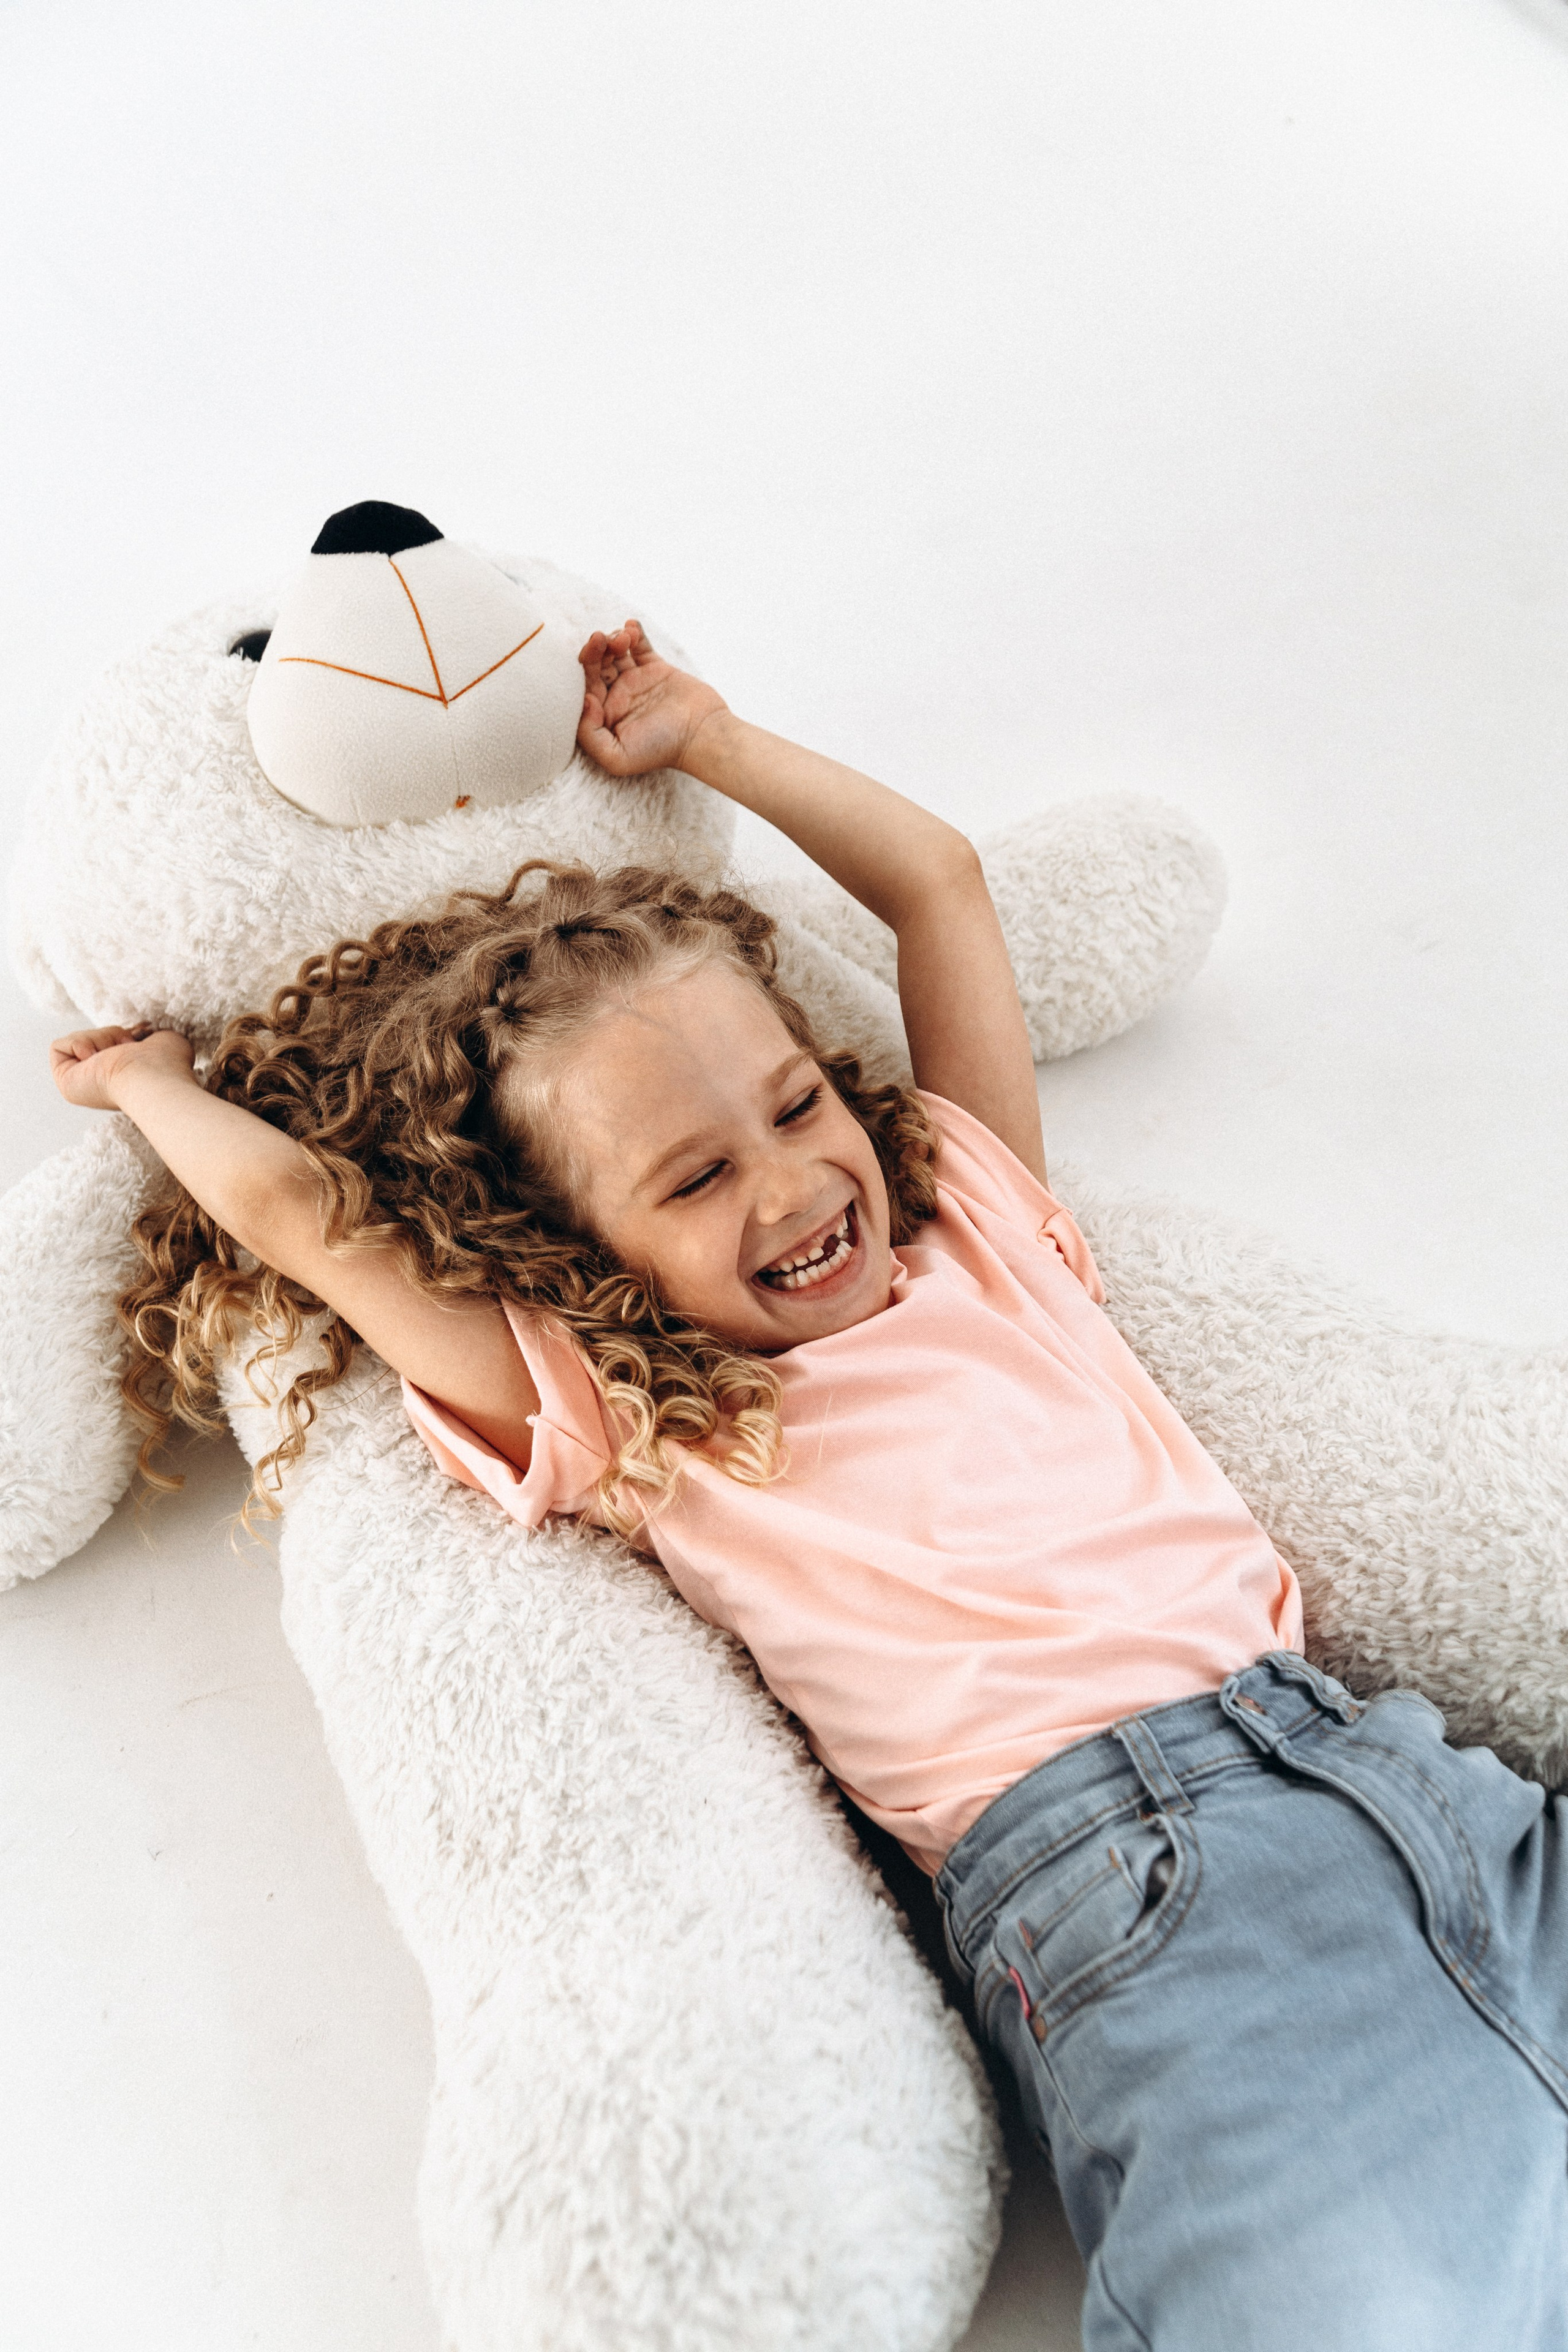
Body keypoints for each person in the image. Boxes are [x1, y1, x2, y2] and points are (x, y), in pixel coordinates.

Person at [52, 625, 1568, 2350]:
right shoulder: (637, 1414)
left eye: (791, 1107)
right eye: (694, 1178)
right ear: (576, 1255)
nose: (789, 1188)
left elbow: (938, 886)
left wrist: (708, 738)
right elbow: (309, 1222)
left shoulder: (980, 1232)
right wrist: (154, 1088)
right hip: (1132, 1886)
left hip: (1397, 1767)